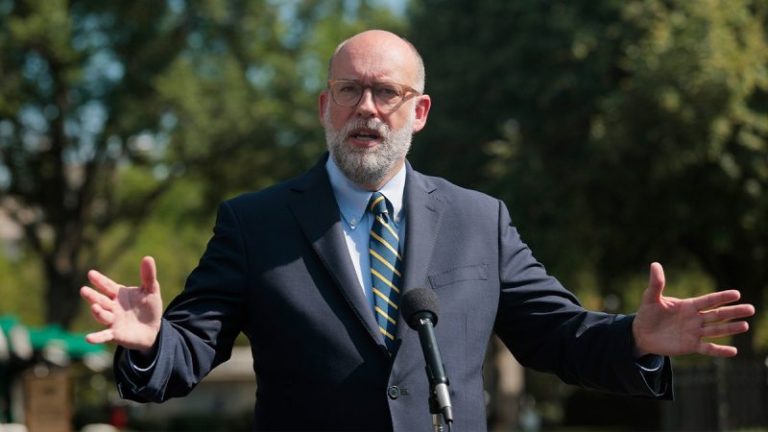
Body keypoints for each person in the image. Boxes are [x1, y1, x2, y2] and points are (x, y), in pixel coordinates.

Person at [80, 30, 756, 431]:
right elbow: (189, 350)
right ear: (324, 107)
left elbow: (556, 334)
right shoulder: (255, 223)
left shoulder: (479, 220)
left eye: (386, 93)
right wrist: (151, 343)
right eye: (349, 91)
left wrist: (635, 339)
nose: (367, 108)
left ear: (420, 111)